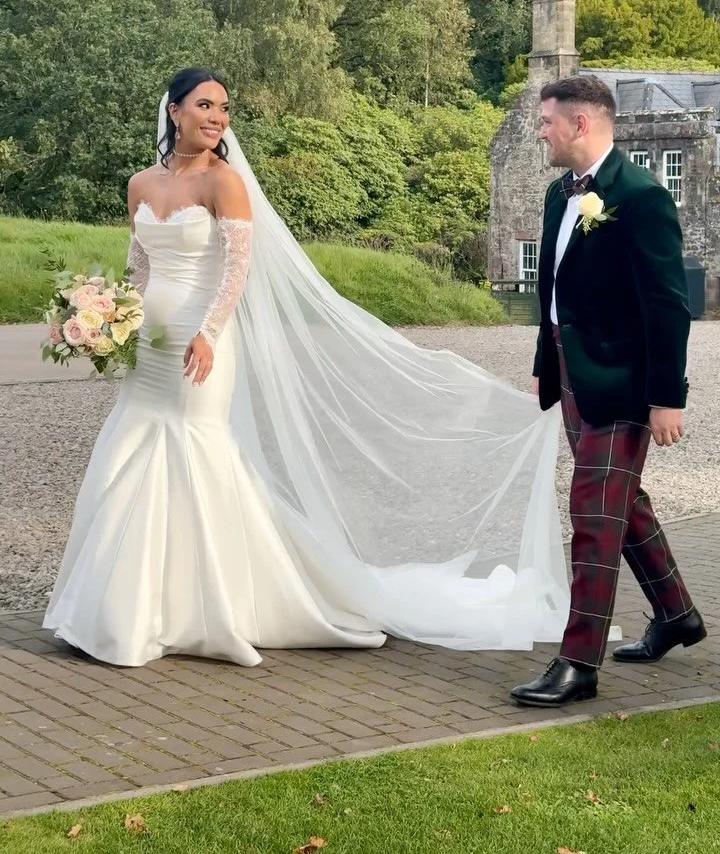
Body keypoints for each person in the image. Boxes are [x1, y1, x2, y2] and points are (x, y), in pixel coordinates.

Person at [44, 67, 569, 668]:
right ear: (174, 111)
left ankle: (212, 608)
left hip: (202, 343)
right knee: (129, 452)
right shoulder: (140, 183)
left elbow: (236, 268)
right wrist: (113, 322)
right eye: (205, 105)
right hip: (151, 348)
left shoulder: (224, 182)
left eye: (224, 108)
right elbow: (139, 268)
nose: (217, 118)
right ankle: (126, 607)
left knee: (194, 454)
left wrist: (209, 334)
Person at [510, 75, 706, 708]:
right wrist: (546, 364)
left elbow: (668, 305)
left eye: (547, 122)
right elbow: (552, 292)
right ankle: (676, 613)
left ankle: (578, 663)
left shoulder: (642, 197)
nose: (540, 132)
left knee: (593, 513)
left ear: (581, 123)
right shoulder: (558, 194)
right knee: (620, 501)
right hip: (573, 371)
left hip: (624, 381)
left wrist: (668, 396)